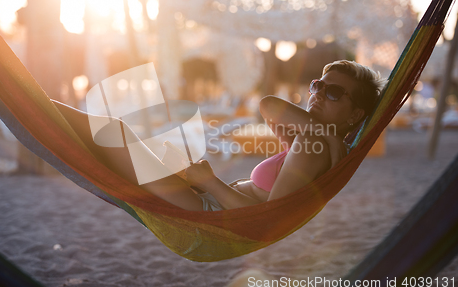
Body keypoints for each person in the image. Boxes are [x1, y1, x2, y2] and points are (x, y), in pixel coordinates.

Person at [53, 60, 386, 211]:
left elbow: (267, 220)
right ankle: (28, 101)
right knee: (113, 136)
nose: (317, 94)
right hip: (204, 196)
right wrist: (326, 134)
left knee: (116, 133)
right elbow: (269, 105)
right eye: (318, 85)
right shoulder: (316, 141)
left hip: (208, 209)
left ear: (356, 113)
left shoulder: (312, 146)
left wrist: (210, 182)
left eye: (333, 93)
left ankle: (27, 100)